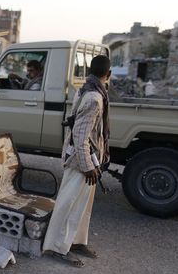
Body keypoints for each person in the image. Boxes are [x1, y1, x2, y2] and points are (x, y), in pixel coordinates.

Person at [43, 55, 111, 268]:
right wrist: (89, 166)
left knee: (83, 206)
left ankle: (76, 241)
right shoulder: (94, 98)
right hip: (80, 160)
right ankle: (56, 246)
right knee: (68, 203)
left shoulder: (87, 90)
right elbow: (80, 137)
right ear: (108, 75)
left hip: (88, 158)